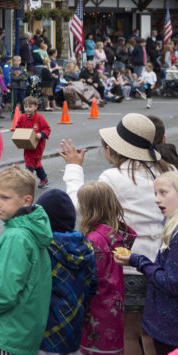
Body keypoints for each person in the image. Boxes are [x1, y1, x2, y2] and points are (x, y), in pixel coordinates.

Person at [61, 113, 176, 355]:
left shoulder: (114, 177)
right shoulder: (167, 170)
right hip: (163, 266)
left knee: (130, 335)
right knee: (150, 334)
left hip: (129, 266)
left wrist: (73, 168)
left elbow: (80, 207)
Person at [0, 166, 53, 355]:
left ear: (26, 200)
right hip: (23, 328)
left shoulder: (16, 237)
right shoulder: (30, 229)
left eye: (5, 198)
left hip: (9, 332)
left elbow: (6, 292)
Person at [115, 170, 178, 353]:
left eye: (163, 192)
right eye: (155, 193)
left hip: (169, 330)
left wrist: (138, 261)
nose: (157, 199)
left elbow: (172, 282)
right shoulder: (170, 224)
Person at [34, 188, 96, 355]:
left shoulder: (44, 249)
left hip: (45, 331)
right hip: (73, 327)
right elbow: (91, 286)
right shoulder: (85, 246)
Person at [79, 181, 136, 354]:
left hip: (96, 312)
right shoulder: (115, 235)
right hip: (113, 310)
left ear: (89, 209)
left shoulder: (93, 240)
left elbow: (87, 280)